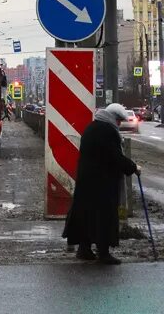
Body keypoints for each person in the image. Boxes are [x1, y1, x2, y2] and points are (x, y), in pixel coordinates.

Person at [63, 103, 141, 264]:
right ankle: (103, 253)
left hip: (88, 180)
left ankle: (84, 249)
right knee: (104, 216)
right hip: (102, 183)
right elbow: (114, 156)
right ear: (113, 117)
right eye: (118, 120)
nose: (119, 124)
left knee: (87, 215)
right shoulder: (106, 131)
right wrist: (133, 167)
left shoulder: (93, 127)